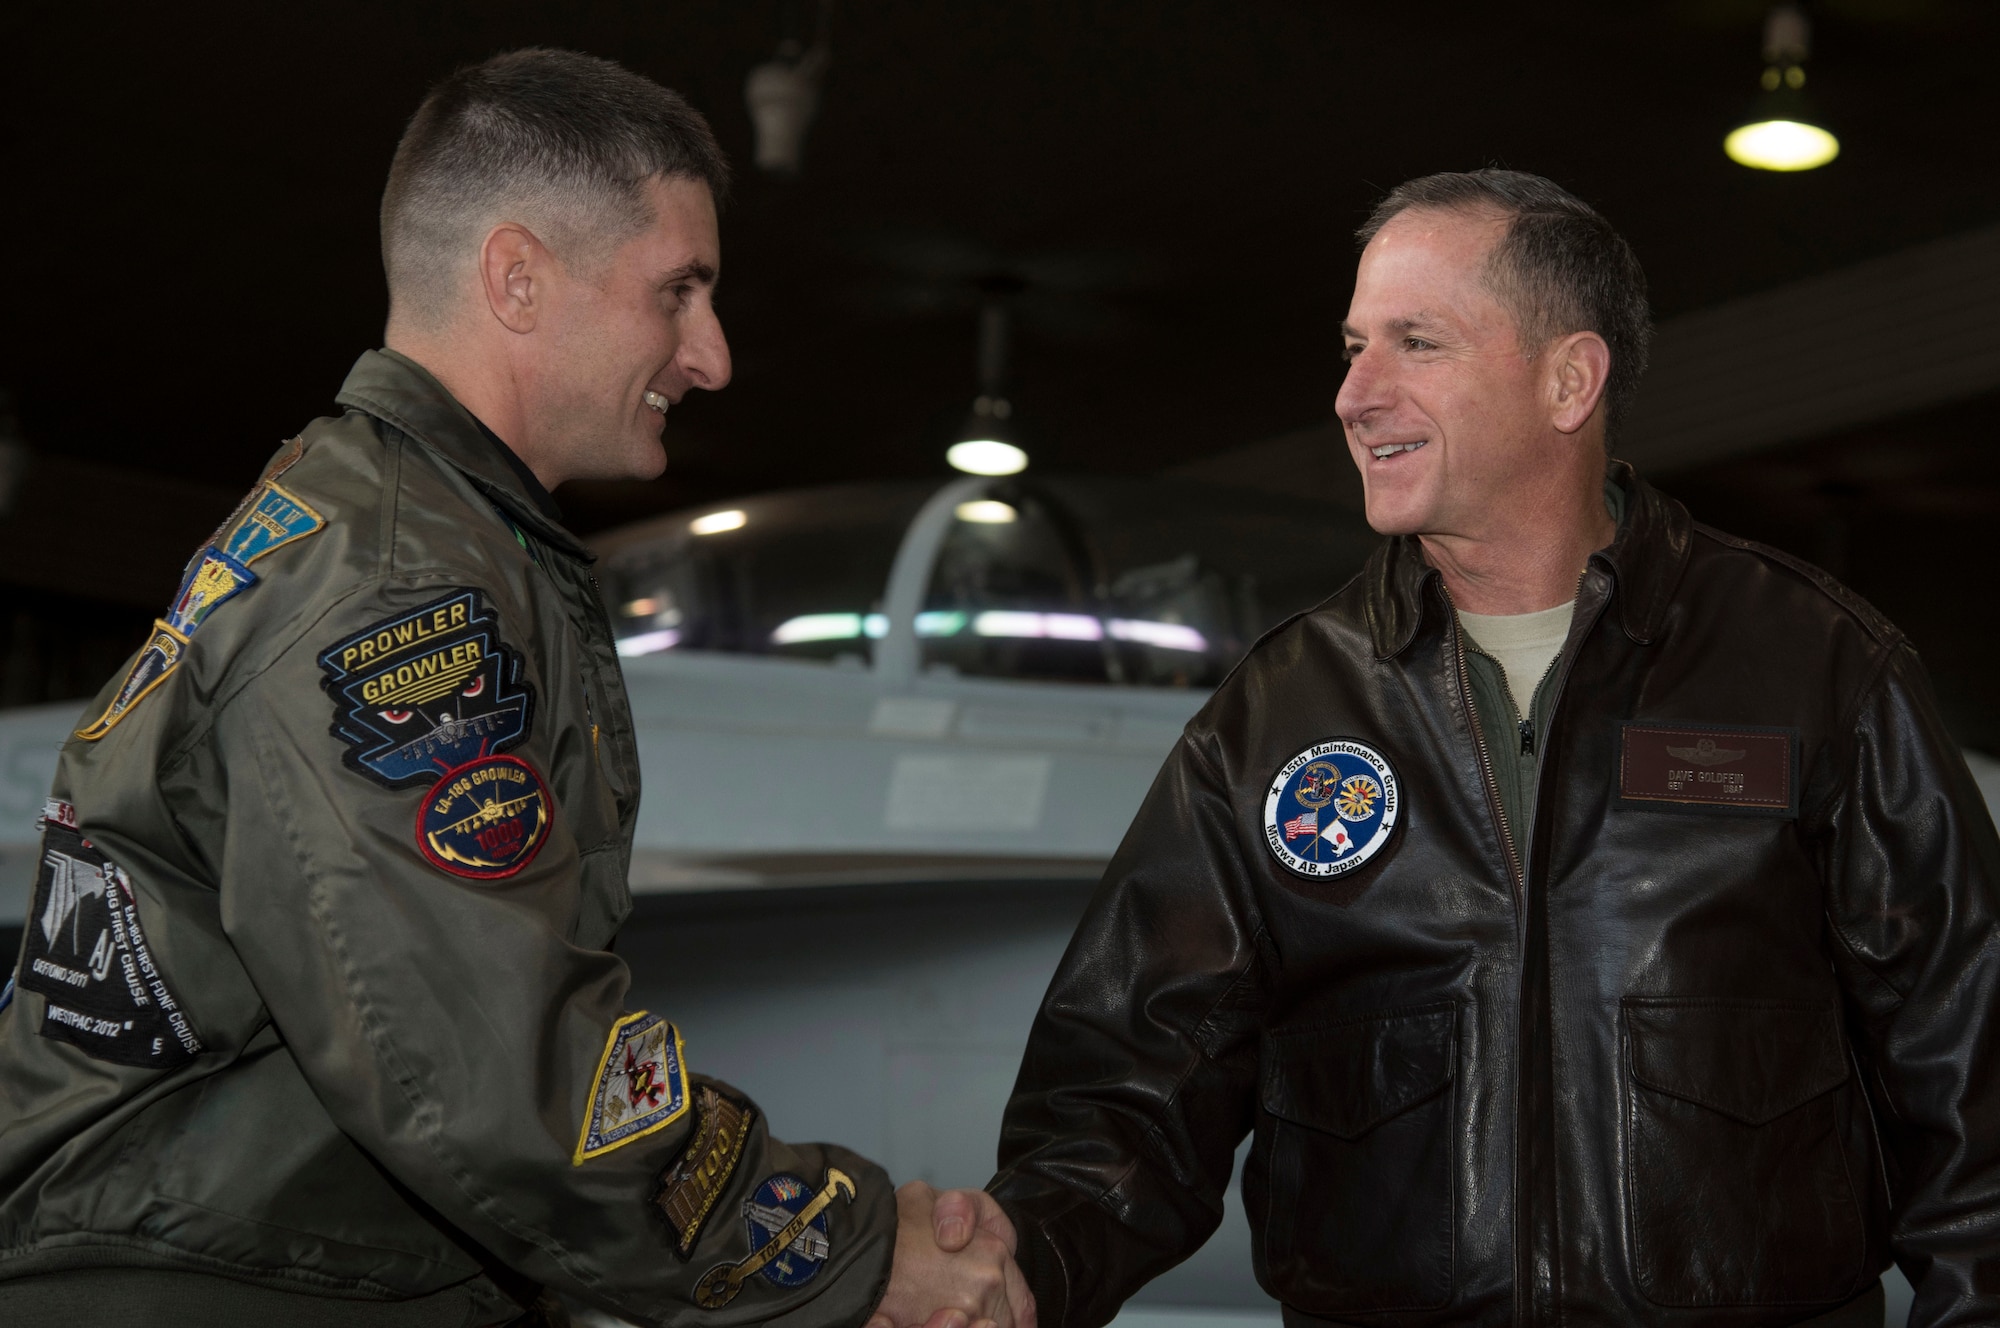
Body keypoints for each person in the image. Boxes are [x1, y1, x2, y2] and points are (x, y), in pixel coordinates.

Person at [0, 49, 1029, 1328]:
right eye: (678, 291)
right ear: (517, 278)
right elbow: (496, 1073)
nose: (710, 354)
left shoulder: (402, 529)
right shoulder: (395, 582)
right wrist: (851, 1247)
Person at [930, 170, 2000, 1326]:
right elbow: (1127, 1092)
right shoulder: (1277, 715)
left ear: (1566, 380)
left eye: (1414, 343)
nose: (1353, 393)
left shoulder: (1815, 668)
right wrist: (1012, 1267)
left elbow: (1973, 1093)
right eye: (1350, 346)